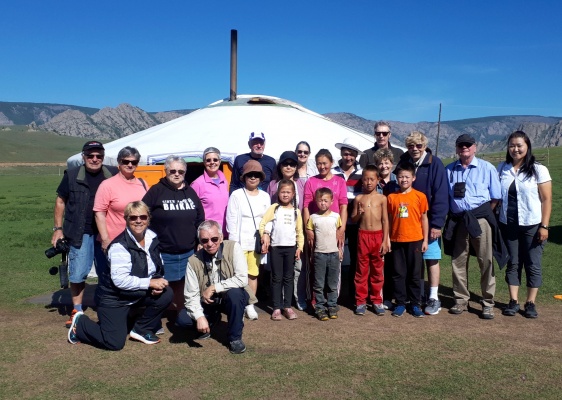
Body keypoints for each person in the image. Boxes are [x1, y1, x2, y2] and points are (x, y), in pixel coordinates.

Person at [67, 201, 173, 350]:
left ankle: (140, 329)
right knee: (114, 343)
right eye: (133, 217)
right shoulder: (119, 246)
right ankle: (80, 324)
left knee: (166, 292)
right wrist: (150, 283)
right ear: (126, 219)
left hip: (135, 294)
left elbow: (157, 264)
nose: (138, 221)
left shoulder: (152, 237)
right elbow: (120, 281)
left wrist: (157, 282)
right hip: (114, 299)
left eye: (143, 217)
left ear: (148, 218)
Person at [51, 141, 118, 327]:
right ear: (83, 157)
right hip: (80, 232)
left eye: (99, 156)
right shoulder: (72, 176)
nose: (95, 159)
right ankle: (77, 309)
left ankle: (107, 306)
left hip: (106, 232)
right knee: (78, 273)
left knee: (108, 271)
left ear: (103, 157)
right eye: (90, 156)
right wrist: (57, 229)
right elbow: (60, 202)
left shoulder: (113, 173)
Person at [443, 134, 508, 319]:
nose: (464, 148)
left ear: (475, 147)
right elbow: (447, 198)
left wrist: (481, 215)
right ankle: (461, 300)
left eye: (468, 145)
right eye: (461, 145)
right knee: (458, 261)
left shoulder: (487, 168)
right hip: (458, 220)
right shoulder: (449, 170)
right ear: (456, 148)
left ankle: (487, 302)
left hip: (480, 220)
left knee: (485, 260)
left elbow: (495, 197)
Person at [142, 155, 205, 324]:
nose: (177, 174)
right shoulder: (156, 191)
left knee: (183, 286)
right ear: (166, 170)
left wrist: (200, 240)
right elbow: (141, 214)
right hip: (163, 250)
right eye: (173, 171)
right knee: (161, 286)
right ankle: (154, 320)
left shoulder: (190, 192)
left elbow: (200, 217)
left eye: (181, 171)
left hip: (187, 251)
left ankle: (180, 315)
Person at [497, 131, 551, 318]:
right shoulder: (502, 168)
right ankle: (513, 301)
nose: (515, 149)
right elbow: (496, 197)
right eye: (512, 145)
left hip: (532, 225)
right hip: (508, 224)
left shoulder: (538, 170)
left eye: (519, 145)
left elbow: (546, 200)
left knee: (532, 264)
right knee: (512, 262)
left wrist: (544, 226)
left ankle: (530, 303)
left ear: (527, 146)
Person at [398, 132, 448, 315]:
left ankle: (434, 296)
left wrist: (437, 223)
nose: (415, 149)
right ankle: (415, 296)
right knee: (414, 261)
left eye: (419, 145)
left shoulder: (435, 164)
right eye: (411, 146)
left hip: (429, 221)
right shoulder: (404, 161)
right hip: (408, 222)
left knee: (432, 258)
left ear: (425, 146)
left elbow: (442, 195)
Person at [183, 220, 250, 354]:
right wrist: (199, 317)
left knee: (235, 294)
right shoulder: (192, 261)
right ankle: (210, 320)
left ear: (221, 237)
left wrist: (214, 287)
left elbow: (242, 279)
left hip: (229, 297)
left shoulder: (234, 247)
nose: (210, 244)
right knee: (182, 321)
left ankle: (235, 339)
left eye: (214, 239)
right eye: (205, 240)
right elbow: (191, 294)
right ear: (200, 242)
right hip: (207, 302)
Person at [303, 149, 348, 309]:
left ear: (331, 163)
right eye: (319, 163)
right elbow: (306, 206)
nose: (322, 166)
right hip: (316, 230)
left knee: (334, 269)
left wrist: (341, 229)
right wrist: (308, 230)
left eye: (325, 163)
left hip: (334, 230)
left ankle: (332, 301)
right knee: (315, 266)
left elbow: (343, 205)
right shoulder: (311, 182)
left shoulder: (339, 181)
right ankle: (316, 301)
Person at [226, 160, 271, 320]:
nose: (253, 177)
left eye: (256, 175)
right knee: (239, 274)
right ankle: (240, 303)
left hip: (256, 243)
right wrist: (233, 244)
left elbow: (268, 219)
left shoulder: (265, 196)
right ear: (244, 177)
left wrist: (267, 234)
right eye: (249, 175)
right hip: (240, 241)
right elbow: (231, 219)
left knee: (253, 274)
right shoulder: (237, 195)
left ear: (261, 177)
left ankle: (250, 304)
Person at [387, 162, 429, 318]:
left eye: (407, 176)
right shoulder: (391, 198)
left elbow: (424, 219)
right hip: (397, 240)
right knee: (398, 273)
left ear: (413, 178)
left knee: (415, 273)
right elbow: (389, 220)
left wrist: (425, 240)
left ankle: (415, 304)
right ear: (396, 178)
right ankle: (400, 303)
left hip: (415, 240)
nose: (403, 179)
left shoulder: (420, 197)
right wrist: (388, 239)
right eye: (400, 177)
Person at [267, 151, 307, 310]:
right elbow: (269, 211)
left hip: (295, 232)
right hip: (278, 235)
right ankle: (278, 303)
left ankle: (295, 300)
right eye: (285, 164)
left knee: (297, 268)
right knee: (277, 272)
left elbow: (304, 207)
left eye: (292, 164)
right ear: (280, 166)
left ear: (296, 166)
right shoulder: (273, 185)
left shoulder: (301, 184)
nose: (289, 167)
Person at [260, 179, 304, 321]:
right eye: (282, 192)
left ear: (293, 194)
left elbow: (299, 232)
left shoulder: (296, 212)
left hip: (291, 248)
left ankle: (287, 306)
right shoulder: (274, 208)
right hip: (276, 248)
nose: (285, 195)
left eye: (288, 192)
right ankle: (276, 307)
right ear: (278, 193)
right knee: (276, 278)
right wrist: (264, 235)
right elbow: (263, 223)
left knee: (288, 278)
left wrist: (300, 247)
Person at [350, 165, 389, 316]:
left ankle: (376, 300)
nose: (368, 182)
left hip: (378, 236)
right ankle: (360, 301)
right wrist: (359, 214)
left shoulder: (382, 198)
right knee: (361, 270)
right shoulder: (359, 198)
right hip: (363, 236)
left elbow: (385, 220)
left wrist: (385, 240)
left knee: (377, 270)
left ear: (378, 180)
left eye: (372, 179)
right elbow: (353, 219)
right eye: (365, 179)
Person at [94, 146, 148, 252]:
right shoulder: (107, 185)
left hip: (139, 240)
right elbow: (99, 213)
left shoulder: (143, 184)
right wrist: (105, 239)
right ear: (119, 162)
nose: (130, 165)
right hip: (115, 241)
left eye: (134, 162)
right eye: (126, 161)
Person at [333, 137, 364, 303]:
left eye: (351, 154)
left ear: (356, 156)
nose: (348, 157)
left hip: (355, 222)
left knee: (354, 257)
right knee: (335, 256)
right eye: (345, 154)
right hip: (336, 222)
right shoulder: (333, 171)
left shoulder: (362, 173)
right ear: (341, 154)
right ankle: (334, 293)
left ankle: (352, 293)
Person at [307, 188, 343, 320]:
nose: (323, 203)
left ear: (331, 201)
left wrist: (339, 250)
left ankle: (332, 306)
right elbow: (310, 238)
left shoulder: (336, 216)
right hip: (319, 254)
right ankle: (320, 307)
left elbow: (339, 235)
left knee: (332, 283)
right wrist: (312, 254)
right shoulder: (313, 217)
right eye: (320, 200)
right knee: (319, 284)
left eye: (325, 200)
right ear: (316, 201)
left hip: (333, 254)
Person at [191, 147, 229, 236]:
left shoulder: (225, 181)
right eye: (208, 160)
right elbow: (193, 212)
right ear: (204, 162)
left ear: (219, 161)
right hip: (209, 234)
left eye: (215, 160)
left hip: (225, 231)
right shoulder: (197, 184)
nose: (212, 162)